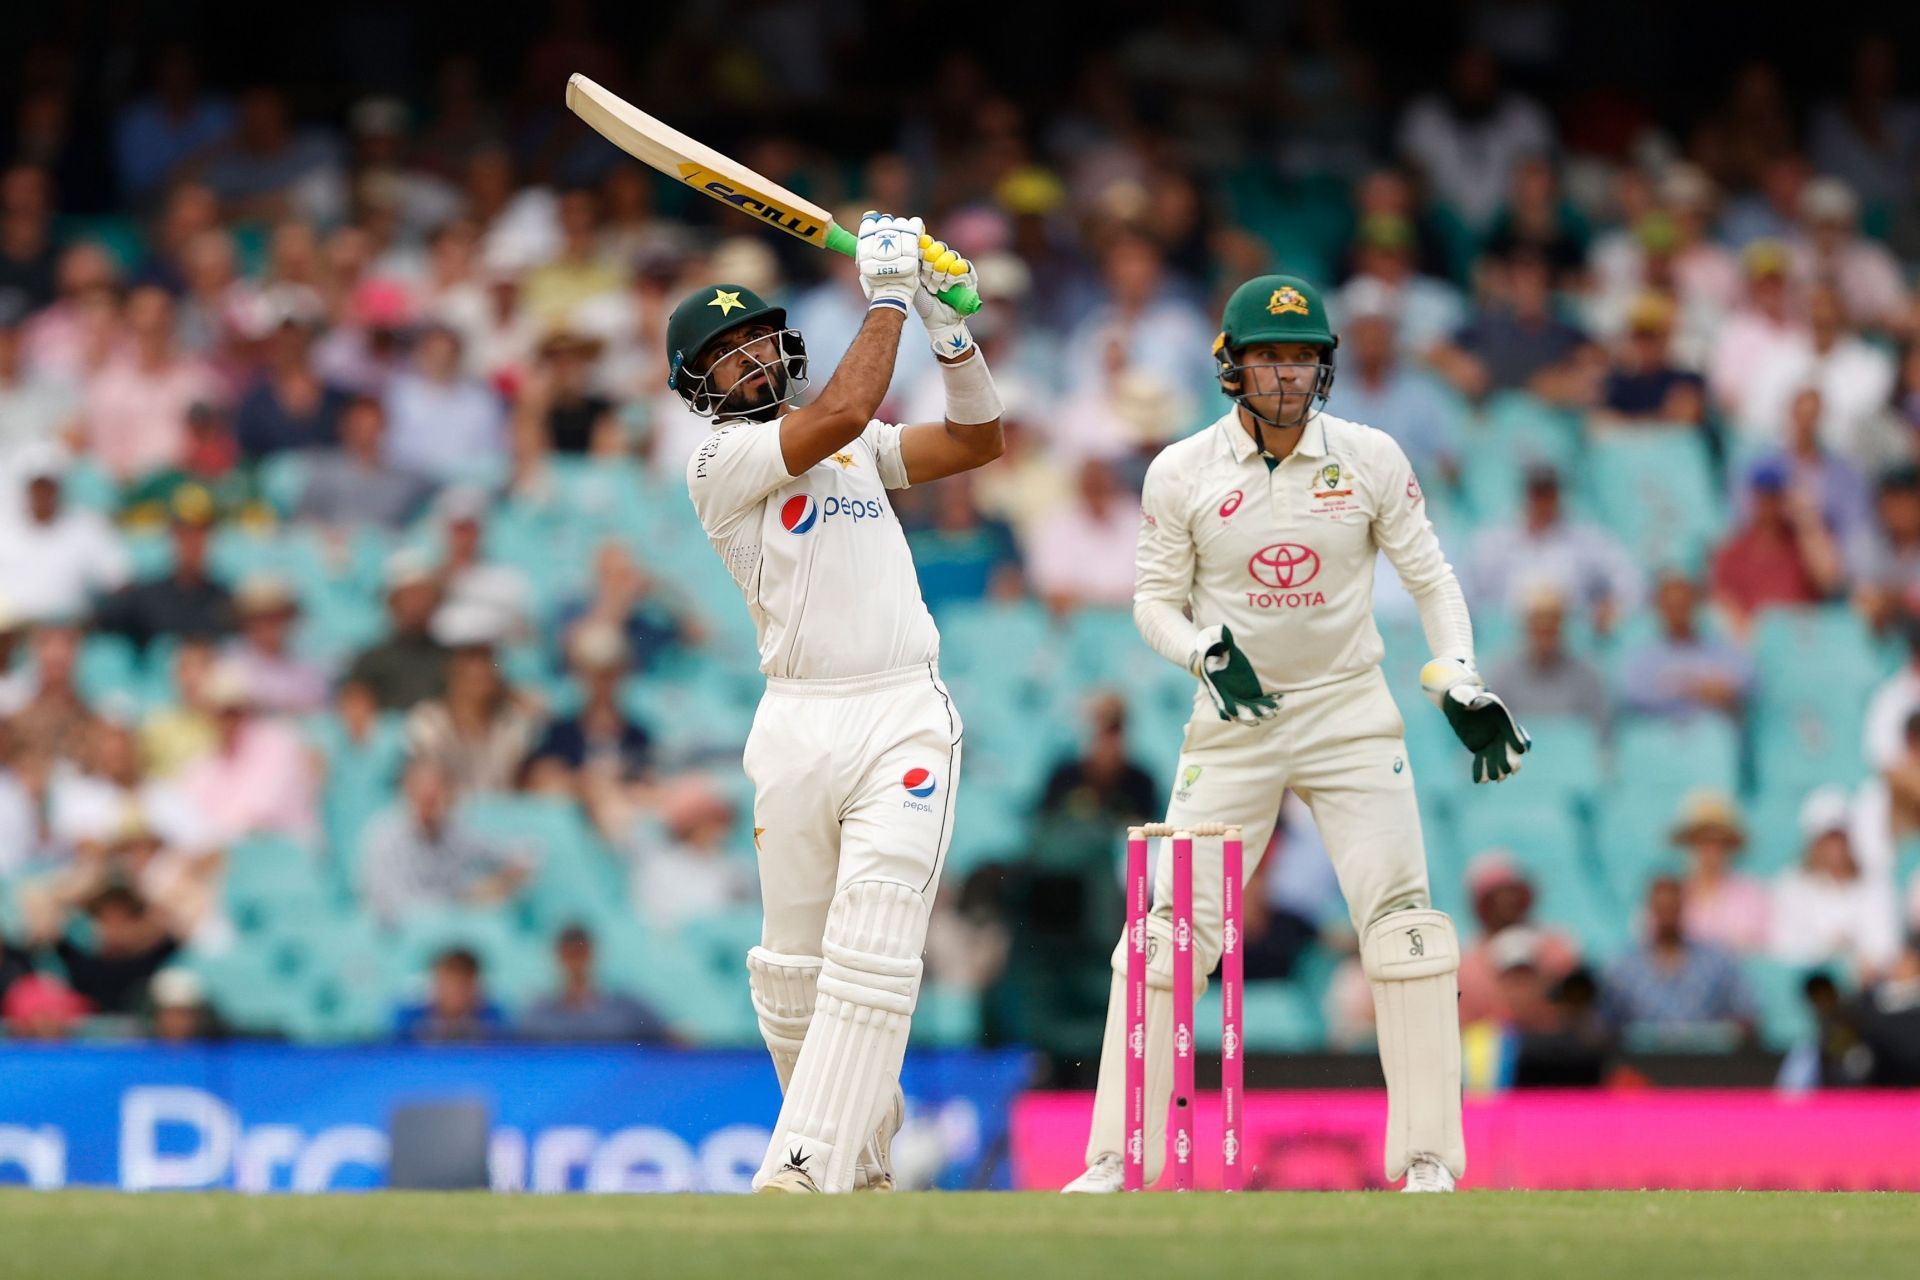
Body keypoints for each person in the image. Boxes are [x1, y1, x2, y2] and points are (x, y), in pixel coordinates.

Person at [1065, 273, 1531, 1197]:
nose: (1287, 373)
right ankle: (1116, 1160)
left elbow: (1433, 581)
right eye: (1270, 356)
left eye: (1304, 356)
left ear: (1327, 366)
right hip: (1234, 722)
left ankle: (1431, 1160)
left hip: (1351, 713)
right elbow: (1153, 602)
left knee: (1403, 928)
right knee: (1164, 937)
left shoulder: (1368, 456)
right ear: (1230, 367)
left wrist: (1460, 678)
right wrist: (1203, 651)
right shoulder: (1181, 471)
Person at [675, 213, 1003, 1193]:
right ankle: (860, 1161)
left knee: (874, 936)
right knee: (790, 971)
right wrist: (890, 296)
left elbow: (979, 440)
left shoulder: (852, 444)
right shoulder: (721, 463)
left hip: (900, 707)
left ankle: (802, 1166)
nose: (749, 360)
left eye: (757, 339)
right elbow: (848, 412)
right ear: (698, 385)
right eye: (724, 355)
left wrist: (951, 331)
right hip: (795, 718)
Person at [1467, 463, 1641, 634]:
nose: (1543, 502)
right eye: (1538, 494)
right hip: (1511, 642)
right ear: (1526, 495)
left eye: (1549, 494)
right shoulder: (1496, 540)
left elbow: (1630, 581)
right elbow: (1468, 590)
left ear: (1558, 496)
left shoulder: (1585, 538)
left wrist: (1610, 606)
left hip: (1571, 640)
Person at [358, 755, 528, 926]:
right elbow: (397, 909)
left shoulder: (456, 831)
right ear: (406, 792)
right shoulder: (384, 837)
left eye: (437, 791)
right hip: (397, 935)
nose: (429, 797)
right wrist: (467, 899)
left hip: (449, 929)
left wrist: (497, 884)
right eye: (421, 791)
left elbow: (520, 856)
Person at [1600, 876, 1756, 1043]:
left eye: (1672, 909)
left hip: (1706, 1063)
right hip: (1641, 1064)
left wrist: (1718, 1036)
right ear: (1650, 910)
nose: (1667, 917)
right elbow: (1604, 1023)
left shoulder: (1716, 963)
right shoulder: (1623, 967)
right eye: (1661, 909)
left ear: (1683, 909)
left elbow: (1747, 1016)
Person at [1769, 788, 1900, 977]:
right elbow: (1782, 945)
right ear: (1812, 842)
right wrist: (1828, 951)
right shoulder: (1790, 885)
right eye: (1826, 838)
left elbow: (1886, 947)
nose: (1835, 846)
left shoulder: (1875, 883)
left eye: (1840, 837)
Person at [92, 488, 235, 652]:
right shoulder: (144, 599)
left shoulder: (225, 601)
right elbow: (102, 625)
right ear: (172, 536)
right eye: (185, 533)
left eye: (200, 532)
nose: (193, 542)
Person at [0, 445, 130, 624]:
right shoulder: (4, 527)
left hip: (70, 632)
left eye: (48, 485)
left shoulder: (88, 526)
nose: (43, 493)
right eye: (37, 485)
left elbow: (119, 580)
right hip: (10, 634)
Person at [1709, 459, 1845, 631]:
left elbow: (1830, 580)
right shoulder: (1732, 552)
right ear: (1752, 497)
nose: (1768, 504)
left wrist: (1807, 519)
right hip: (1755, 645)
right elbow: (1723, 608)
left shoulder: (1803, 542)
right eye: (1762, 495)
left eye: (1774, 495)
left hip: (1803, 640)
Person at [1454, 853, 1578, 1027]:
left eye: (1513, 892)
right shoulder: (1467, 969)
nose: (1508, 901)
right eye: (1497, 895)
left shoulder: (1558, 949)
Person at [1616, 571, 1753, 725]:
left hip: (1710, 737)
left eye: (1684, 605)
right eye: (1671, 607)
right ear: (1660, 609)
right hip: (1661, 734)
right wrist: (1694, 689)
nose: (1678, 613)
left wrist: (1725, 692)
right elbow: (1635, 693)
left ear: (1695, 607)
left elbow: (1746, 682)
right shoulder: (1644, 656)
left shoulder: (1718, 649)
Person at [294, 394, 433, 530]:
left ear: (384, 425)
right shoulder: (324, 470)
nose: (365, 431)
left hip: (388, 547)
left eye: (371, 424)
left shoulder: (406, 478)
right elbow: (303, 520)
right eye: (358, 424)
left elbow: (441, 498)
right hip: (333, 546)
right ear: (344, 426)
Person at [1485, 585, 1610, 733]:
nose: (1544, 633)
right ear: (1526, 626)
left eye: (1551, 625)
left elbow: (1600, 736)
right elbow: (1487, 733)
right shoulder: (1502, 676)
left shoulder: (1587, 677)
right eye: (1538, 625)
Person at [516, 924, 670, 1043]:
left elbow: (672, 1039)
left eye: (581, 953)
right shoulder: (539, 1014)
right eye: (570, 954)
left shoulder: (627, 1009)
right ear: (558, 957)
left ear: (593, 954)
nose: (576, 962)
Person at [1667, 791, 1770, 956]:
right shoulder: (1670, 895)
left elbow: (1760, 949)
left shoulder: (1751, 895)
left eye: (1717, 842)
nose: (1710, 850)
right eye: (1702, 841)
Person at [345, 552, 450, 711]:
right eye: (410, 596)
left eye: (423, 595)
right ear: (393, 602)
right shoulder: (371, 661)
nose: (417, 604)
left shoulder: (452, 660)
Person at [392, 946, 507, 1043]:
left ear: (475, 985)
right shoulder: (410, 1019)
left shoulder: (493, 1019)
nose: (455, 990)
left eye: (463, 984)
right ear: (436, 982)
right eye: (449, 982)